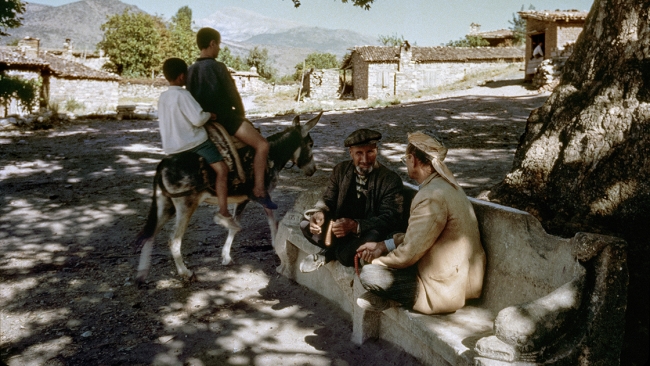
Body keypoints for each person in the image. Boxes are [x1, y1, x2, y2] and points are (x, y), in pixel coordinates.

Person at [355, 131, 486, 314]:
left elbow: (409, 253)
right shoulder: (444, 187)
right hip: (457, 279)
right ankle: (386, 297)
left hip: (442, 289)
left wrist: (377, 262)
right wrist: (383, 245)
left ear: (413, 159)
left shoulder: (431, 196)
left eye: (405, 159)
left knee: (369, 274)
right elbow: (419, 237)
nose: (406, 163)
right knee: (381, 244)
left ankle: (391, 299)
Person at [186, 27, 277, 210]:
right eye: (218, 45)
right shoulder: (218, 67)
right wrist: (241, 115)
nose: (219, 49)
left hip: (203, 121)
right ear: (212, 44)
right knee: (262, 145)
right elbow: (233, 95)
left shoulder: (191, 70)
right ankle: (259, 189)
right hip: (226, 119)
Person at [299, 128, 405, 272]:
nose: (365, 160)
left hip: (367, 231)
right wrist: (319, 214)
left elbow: (390, 218)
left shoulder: (390, 180)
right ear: (351, 153)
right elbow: (328, 199)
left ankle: (329, 253)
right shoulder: (340, 170)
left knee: (346, 254)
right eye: (359, 153)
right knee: (305, 224)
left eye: (370, 152)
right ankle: (336, 249)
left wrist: (356, 226)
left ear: (377, 151)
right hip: (338, 230)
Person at [157, 58, 240, 231]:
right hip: (194, 144)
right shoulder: (183, 94)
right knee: (223, 169)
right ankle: (223, 211)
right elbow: (198, 119)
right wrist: (210, 115)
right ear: (181, 77)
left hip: (172, 147)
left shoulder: (163, 97)